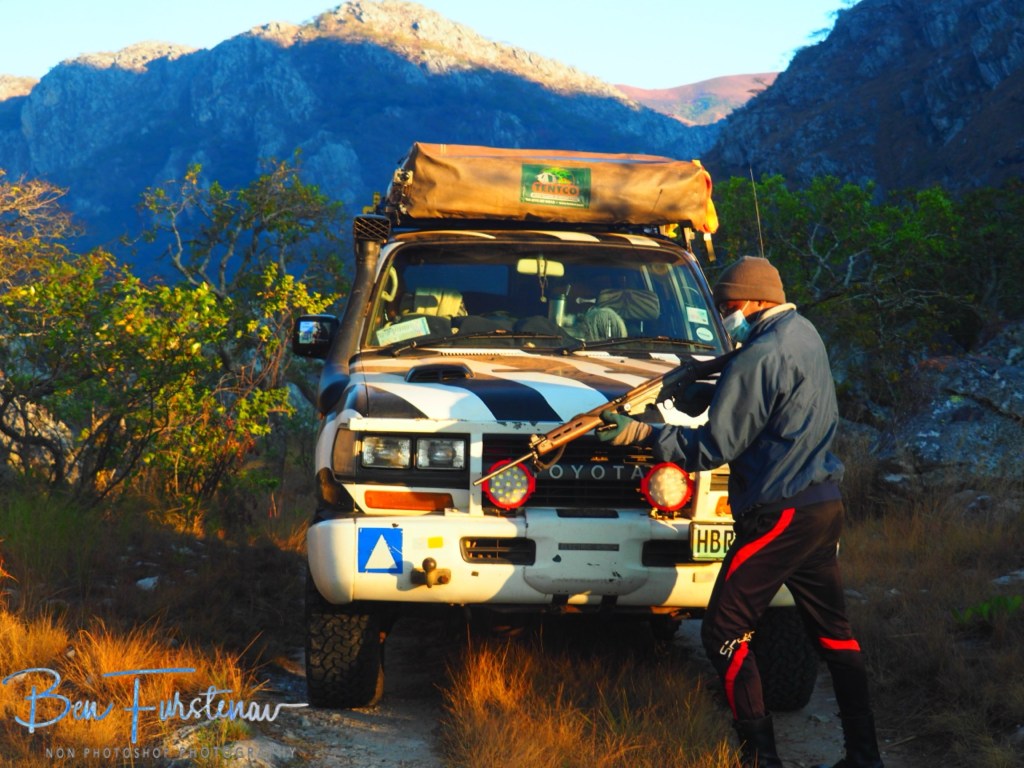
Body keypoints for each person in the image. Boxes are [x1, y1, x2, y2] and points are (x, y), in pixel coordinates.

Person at [598, 256, 884, 768]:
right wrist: (703, 389)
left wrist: (644, 433)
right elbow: (767, 401)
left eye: (729, 306)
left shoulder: (758, 354)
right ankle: (865, 756)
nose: (727, 315)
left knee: (723, 631)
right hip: (823, 506)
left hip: (780, 513)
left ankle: (759, 757)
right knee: (834, 633)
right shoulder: (804, 334)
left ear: (754, 300)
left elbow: (713, 447)